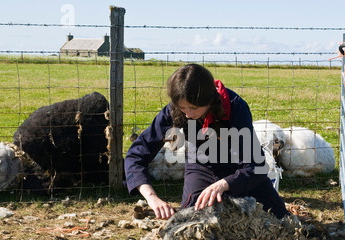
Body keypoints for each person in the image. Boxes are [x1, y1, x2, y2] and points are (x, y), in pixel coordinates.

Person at [124, 64, 289, 220]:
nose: (187, 114)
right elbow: (136, 154)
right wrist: (152, 198)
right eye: (183, 108)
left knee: (281, 221)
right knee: (191, 222)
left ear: (209, 100)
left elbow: (257, 166)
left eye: (194, 108)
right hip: (201, 167)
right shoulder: (175, 109)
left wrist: (224, 184)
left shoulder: (236, 107)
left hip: (240, 170)